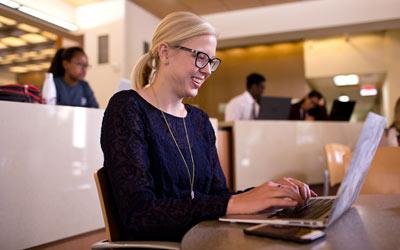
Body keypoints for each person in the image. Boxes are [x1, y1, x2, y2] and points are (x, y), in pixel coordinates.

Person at [101, 11, 316, 242]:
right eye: (200, 57)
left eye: (211, 62)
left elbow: (217, 197)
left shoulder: (199, 121)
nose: (207, 70)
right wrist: (236, 202)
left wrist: (270, 194)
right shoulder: (127, 107)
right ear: (165, 53)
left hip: (204, 241)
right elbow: (139, 214)